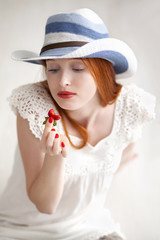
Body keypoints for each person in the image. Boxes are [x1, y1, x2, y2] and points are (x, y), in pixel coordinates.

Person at [0, 8, 156, 240]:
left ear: (103, 70)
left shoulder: (130, 106)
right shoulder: (35, 107)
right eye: (53, 69)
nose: (62, 81)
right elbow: (46, 205)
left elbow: (124, 153)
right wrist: (54, 157)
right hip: (24, 229)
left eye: (77, 68)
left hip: (90, 227)